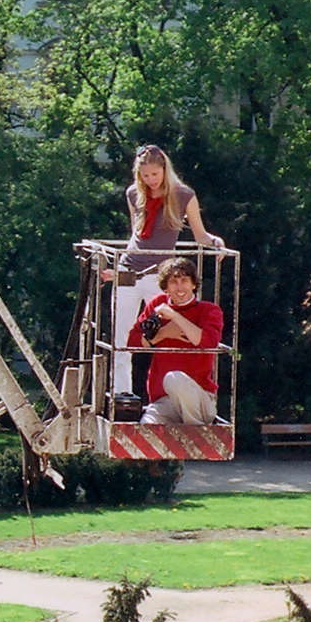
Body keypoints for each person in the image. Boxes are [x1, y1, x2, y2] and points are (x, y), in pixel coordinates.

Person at [109, 145, 224, 397]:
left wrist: (216, 242)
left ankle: (171, 393)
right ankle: (121, 395)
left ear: (164, 169)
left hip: (160, 275)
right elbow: (135, 235)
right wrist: (114, 271)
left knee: (166, 334)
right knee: (121, 338)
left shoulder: (183, 195)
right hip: (129, 269)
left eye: (154, 174)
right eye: (145, 176)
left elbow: (200, 235)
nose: (150, 180)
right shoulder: (134, 194)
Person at [127, 256, 223, 424]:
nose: (180, 287)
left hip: (199, 399)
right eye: (173, 282)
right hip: (164, 401)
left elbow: (208, 342)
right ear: (166, 287)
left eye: (184, 281)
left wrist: (175, 316)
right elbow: (133, 343)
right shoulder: (157, 304)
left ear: (194, 284)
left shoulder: (209, 310)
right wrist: (163, 333)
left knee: (174, 379)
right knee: (147, 428)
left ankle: (197, 434)